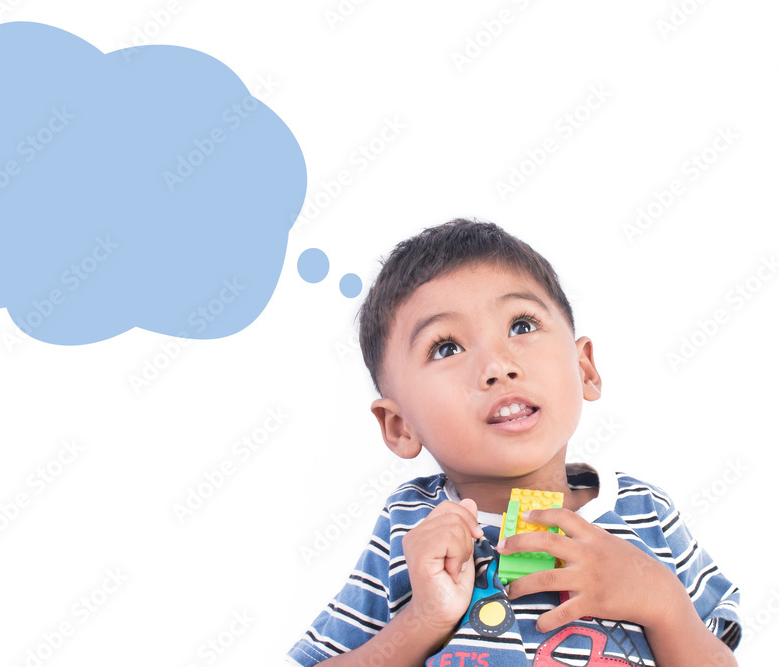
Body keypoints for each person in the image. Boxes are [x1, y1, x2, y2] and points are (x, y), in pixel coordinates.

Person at [287, 219, 741, 666]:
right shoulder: (410, 528)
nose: (498, 365)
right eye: (446, 347)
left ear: (584, 368)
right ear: (399, 425)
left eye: (522, 325)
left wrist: (663, 603)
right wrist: (423, 621)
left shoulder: (646, 511)